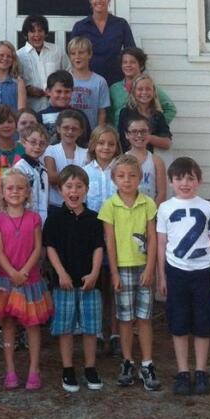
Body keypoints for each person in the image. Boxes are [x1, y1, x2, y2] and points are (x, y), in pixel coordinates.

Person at [156, 156, 210, 396]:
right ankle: (183, 371)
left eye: (190, 178)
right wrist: (161, 276)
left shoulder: (207, 207)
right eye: (179, 178)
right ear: (171, 181)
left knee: (203, 322)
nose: (185, 183)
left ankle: (201, 371)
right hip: (176, 272)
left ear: (199, 181)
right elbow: (161, 244)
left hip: (203, 273)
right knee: (179, 322)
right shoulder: (165, 208)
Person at [98, 153, 160, 391]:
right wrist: (113, 272)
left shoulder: (148, 203)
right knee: (125, 319)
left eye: (132, 176)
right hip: (122, 268)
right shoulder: (109, 206)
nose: (127, 180)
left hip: (143, 267)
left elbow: (153, 238)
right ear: (114, 179)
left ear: (140, 178)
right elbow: (110, 242)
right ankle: (127, 362)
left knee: (144, 318)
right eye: (121, 176)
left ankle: (147, 363)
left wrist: (150, 267)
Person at [42, 164, 106, 393]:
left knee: (90, 328)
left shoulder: (94, 218)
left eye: (79, 186)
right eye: (69, 186)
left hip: (90, 282)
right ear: (60, 190)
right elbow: (50, 248)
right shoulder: (55, 218)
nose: (74, 191)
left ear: (87, 189)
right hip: (65, 283)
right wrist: (61, 273)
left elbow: (99, 247)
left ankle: (90, 367)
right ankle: (68, 369)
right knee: (65, 327)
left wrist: (95, 273)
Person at [0, 169, 53, 390]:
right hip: (7, 281)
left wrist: (24, 271)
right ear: (3, 192)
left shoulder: (34, 218)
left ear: (27, 192)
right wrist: (12, 273)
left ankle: (34, 370)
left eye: (20, 188)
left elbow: (37, 248)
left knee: (33, 325)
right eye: (10, 188)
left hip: (30, 280)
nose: (15, 192)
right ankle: (10, 371)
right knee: (8, 324)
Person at [84, 125, 121, 354]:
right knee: (96, 283)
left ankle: (116, 332)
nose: (105, 148)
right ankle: (96, 331)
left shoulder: (122, 170)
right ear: (93, 145)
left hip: (118, 232)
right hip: (94, 232)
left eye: (110, 144)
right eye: (101, 143)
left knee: (116, 284)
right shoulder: (85, 171)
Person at [70, 0, 136, 87]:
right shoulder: (80, 26)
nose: (99, 0)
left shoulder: (121, 24)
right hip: (89, 83)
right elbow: (72, 56)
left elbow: (132, 52)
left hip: (116, 81)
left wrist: (131, 79)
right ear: (90, 0)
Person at [109, 47, 177, 132]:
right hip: (120, 138)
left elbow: (170, 109)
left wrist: (154, 128)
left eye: (132, 62)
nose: (128, 65)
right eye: (125, 62)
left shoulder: (149, 88)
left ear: (141, 66)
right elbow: (109, 115)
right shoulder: (114, 89)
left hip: (143, 138)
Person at [17, 15, 66, 113]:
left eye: (40, 31)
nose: (37, 34)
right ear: (26, 34)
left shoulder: (57, 51)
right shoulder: (19, 55)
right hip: (31, 109)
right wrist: (27, 89)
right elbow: (14, 81)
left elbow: (69, 74)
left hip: (56, 109)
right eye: (32, 31)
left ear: (46, 33)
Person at [118, 73, 173, 153]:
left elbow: (167, 143)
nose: (144, 92)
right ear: (133, 92)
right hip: (129, 158)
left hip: (151, 158)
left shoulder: (158, 115)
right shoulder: (125, 113)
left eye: (148, 89)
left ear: (153, 92)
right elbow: (121, 140)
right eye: (140, 89)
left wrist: (147, 137)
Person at [44, 109, 89, 207]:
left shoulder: (86, 153)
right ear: (58, 128)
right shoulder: (50, 150)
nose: (70, 131)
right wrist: (78, 180)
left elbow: (88, 179)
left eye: (74, 128)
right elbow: (51, 177)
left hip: (80, 204)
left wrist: (61, 178)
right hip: (56, 205)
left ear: (80, 131)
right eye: (66, 128)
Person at [66, 36, 110, 134]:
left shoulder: (100, 81)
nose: (77, 56)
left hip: (90, 132)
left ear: (90, 54)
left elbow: (102, 113)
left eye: (81, 53)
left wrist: (97, 135)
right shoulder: (64, 78)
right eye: (73, 53)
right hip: (68, 132)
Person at [122, 115, 167, 202]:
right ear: (127, 134)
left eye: (143, 131)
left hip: (150, 212)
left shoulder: (157, 161)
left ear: (149, 133)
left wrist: (153, 214)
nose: (139, 135)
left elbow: (162, 193)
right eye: (134, 131)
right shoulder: (121, 160)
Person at [14, 124, 50, 223]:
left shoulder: (43, 170)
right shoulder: (20, 168)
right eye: (33, 142)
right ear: (24, 142)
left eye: (42, 143)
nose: (37, 147)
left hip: (42, 220)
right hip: (24, 219)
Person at [36, 69, 75, 137]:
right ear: (48, 91)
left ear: (72, 92)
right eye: (58, 91)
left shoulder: (79, 115)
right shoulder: (39, 117)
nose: (63, 96)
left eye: (67, 91)